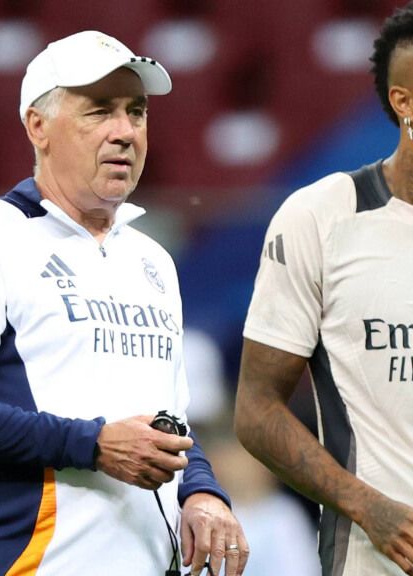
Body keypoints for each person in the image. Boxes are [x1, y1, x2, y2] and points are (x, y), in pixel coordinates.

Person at [0, 31, 248, 575]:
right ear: (37, 126)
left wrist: (202, 492)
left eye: (136, 112)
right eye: (99, 112)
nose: (125, 132)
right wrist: (92, 444)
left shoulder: (153, 261)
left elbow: (172, 420)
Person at [234, 4, 413, 575]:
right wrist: (367, 507)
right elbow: (257, 410)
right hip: (373, 558)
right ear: (404, 102)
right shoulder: (321, 216)